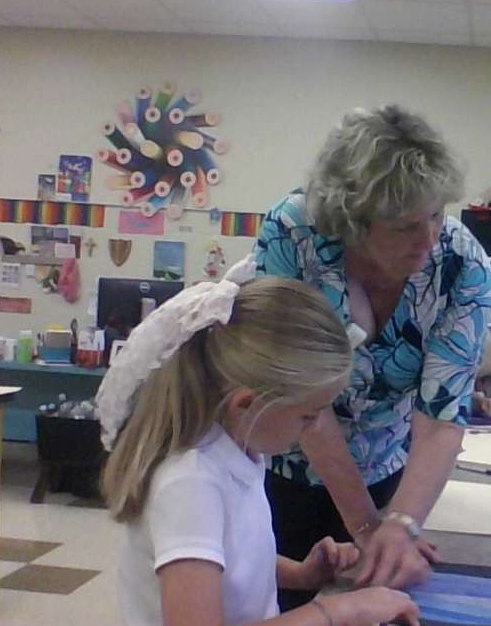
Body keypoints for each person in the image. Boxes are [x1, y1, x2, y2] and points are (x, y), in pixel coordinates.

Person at [254, 104, 491, 608]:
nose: (428, 239)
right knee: (281, 606)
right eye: (405, 226)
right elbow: (302, 403)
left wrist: (401, 523)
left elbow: (442, 415)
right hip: (285, 470)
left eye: (436, 214)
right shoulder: (293, 235)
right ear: (352, 221)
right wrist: (364, 523)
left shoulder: (461, 263)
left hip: (387, 468)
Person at [97, 256, 419, 626]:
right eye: (308, 415)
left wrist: (299, 575)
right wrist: (337, 611)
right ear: (248, 404)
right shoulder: (191, 484)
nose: (313, 428)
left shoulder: (238, 449)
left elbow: (225, 558)